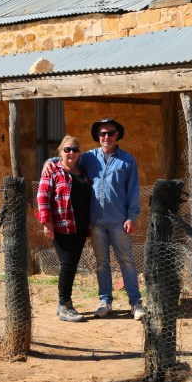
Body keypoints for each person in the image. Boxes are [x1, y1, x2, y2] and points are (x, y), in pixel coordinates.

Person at [43, 118, 145, 321]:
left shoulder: (127, 160)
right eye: (102, 134)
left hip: (119, 221)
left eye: (111, 133)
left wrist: (132, 216)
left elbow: (133, 190)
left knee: (127, 262)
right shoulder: (89, 157)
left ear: (118, 136)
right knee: (101, 263)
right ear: (98, 137)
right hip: (96, 221)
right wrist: (49, 161)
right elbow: (67, 158)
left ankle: (135, 303)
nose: (106, 137)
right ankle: (105, 301)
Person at [37, 135, 92, 322]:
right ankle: (64, 306)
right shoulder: (53, 172)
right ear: (60, 152)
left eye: (75, 149)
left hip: (80, 227)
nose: (71, 153)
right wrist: (47, 223)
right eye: (67, 149)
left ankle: (65, 303)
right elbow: (42, 197)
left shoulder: (83, 173)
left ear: (79, 153)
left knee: (71, 265)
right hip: (61, 226)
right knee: (67, 265)